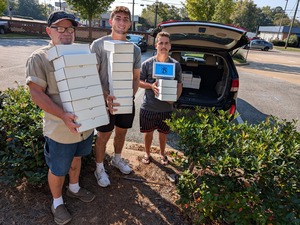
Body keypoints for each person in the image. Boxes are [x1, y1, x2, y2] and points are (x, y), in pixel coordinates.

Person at [25, 11, 95, 225]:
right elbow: (36, 93)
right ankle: (57, 202)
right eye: (60, 28)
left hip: (84, 125)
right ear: (49, 31)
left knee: (77, 158)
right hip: (60, 129)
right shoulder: (39, 58)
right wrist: (63, 115)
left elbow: (89, 83)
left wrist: (102, 98)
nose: (66, 33)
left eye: (71, 29)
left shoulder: (81, 53)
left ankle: (74, 188)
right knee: (58, 168)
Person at [90, 6, 141, 187]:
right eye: (118, 18)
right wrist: (104, 96)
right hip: (104, 101)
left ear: (129, 23)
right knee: (103, 136)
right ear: (111, 21)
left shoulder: (134, 49)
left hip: (126, 101)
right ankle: (99, 168)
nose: (122, 22)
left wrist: (130, 96)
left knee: (122, 132)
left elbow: (136, 77)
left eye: (125, 19)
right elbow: (92, 75)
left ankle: (117, 159)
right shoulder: (98, 45)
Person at [139, 31, 183, 165]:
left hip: (166, 108)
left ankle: (162, 153)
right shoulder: (147, 64)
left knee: (163, 133)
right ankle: (147, 153)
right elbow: (139, 82)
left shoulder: (176, 65)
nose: (163, 46)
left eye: (166, 43)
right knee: (148, 132)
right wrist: (150, 86)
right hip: (149, 106)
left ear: (170, 46)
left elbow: (180, 85)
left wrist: (174, 98)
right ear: (156, 45)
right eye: (161, 43)